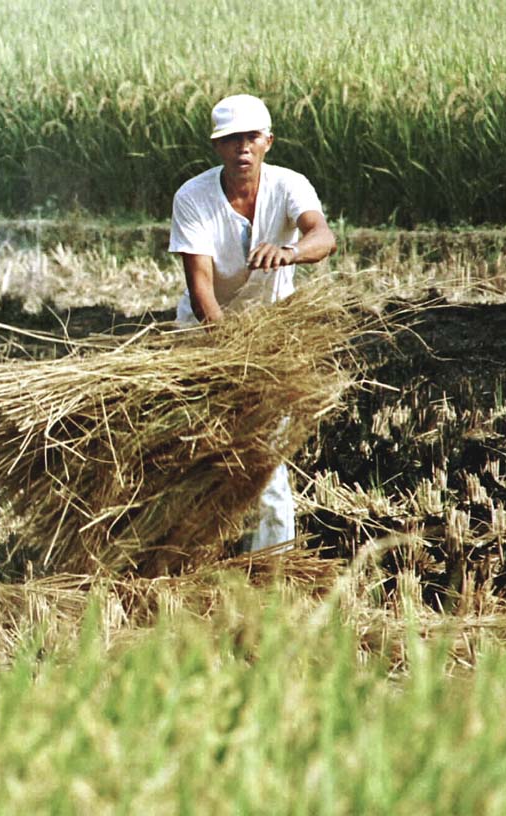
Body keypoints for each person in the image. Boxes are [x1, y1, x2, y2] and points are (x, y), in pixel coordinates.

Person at [168, 93, 337, 551]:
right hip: (207, 337)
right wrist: (229, 354)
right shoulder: (194, 197)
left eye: (251, 137)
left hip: (269, 341)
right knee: (203, 454)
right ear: (218, 147)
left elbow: (322, 236)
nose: (243, 148)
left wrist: (291, 253)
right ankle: (194, 555)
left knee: (266, 459)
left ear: (268, 142)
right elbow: (200, 286)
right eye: (231, 140)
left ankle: (271, 568)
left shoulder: (288, 185)